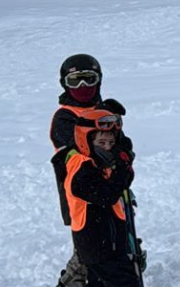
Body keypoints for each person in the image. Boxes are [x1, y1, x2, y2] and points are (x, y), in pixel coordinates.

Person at [51, 54, 127, 287]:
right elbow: (84, 152)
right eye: (76, 81)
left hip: (113, 188)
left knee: (113, 242)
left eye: (88, 80)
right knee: (89, 251)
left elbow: (120, 144)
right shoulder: (64, 118)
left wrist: (123, 157)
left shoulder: (104, 110)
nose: (83, 87)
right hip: (83, 196)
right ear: (65, 83)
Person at [63, 109, 140, 287]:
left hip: (111, 243)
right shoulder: (81, 169)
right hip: (97, 246)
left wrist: (125, 163)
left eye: (112, 142)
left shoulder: (100, 162)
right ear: (87, 141)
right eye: (101, 142)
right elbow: (107, 195)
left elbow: (123, 183)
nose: (108, 147)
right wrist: (121, 169)